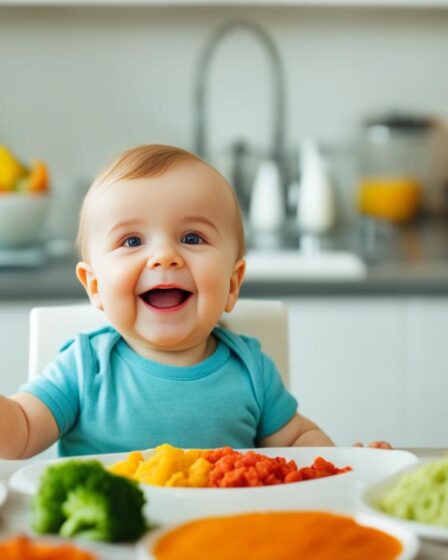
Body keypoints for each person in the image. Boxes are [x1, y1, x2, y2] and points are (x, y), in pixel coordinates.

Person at [0, 145, 390, 459]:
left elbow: (295, 441)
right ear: (95, 286)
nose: (164, 256)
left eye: (192, 238)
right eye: (132, 241)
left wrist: (349, 463)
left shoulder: (250, 369)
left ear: (233, 283)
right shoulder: (84, 367)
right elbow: (21, 431)